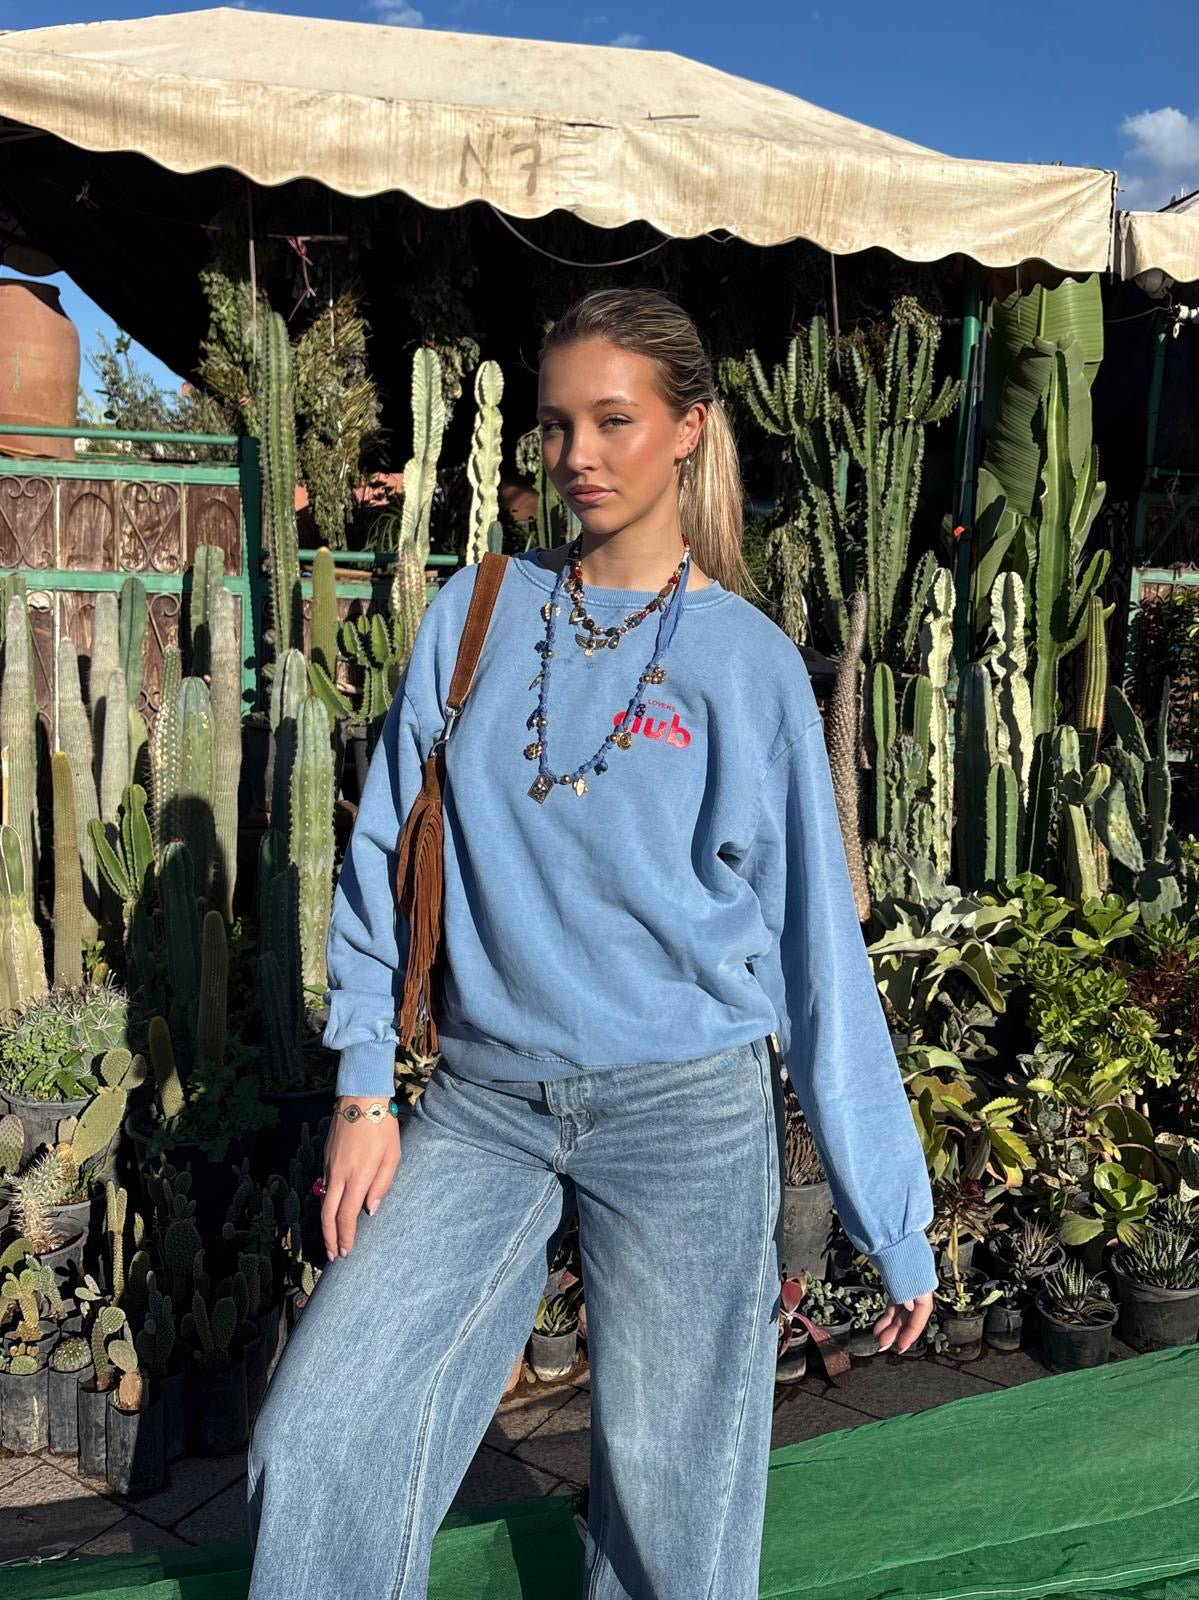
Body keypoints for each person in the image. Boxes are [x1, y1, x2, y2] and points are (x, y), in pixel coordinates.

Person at [245, 287, 937, 1600]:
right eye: (558, 424)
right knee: (322, 1437)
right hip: (483, 1107)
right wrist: (361, 1090)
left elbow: (815, 959)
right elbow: (385, 856)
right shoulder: (477, 612)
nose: (578, 454)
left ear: (690, 429)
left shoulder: (747, 667)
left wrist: (889, 1215)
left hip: (687, 1119)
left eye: (614, 421)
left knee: (675, 1517)